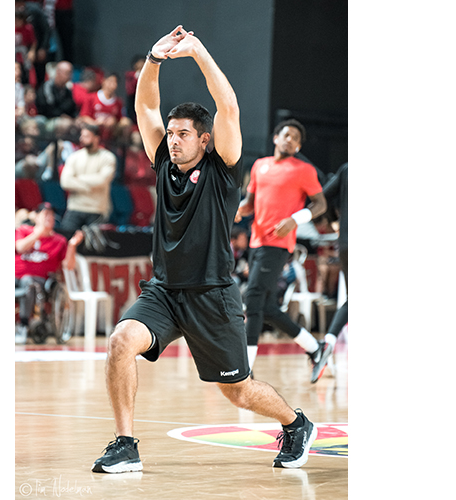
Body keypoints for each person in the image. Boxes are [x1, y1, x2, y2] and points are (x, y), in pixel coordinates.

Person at [92, 26, 317, 474]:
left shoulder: (224, 171)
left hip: (212, 295)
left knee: (238, 391)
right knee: (120, 342)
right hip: (164, 292)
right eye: (170, 133)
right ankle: (125, 445)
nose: (173, 140)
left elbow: (228, 107)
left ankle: (296, 424)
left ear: (204, 140)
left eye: (183, 134)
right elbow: (145, 106)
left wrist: (197, 52)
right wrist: (154, 60)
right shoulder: (162, 162)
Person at [235, 119, 331, 383]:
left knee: (253, 298)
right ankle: (315, 347)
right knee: (266, 308)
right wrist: (240, 209)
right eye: (286, 135)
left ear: (298, 146)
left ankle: (245, 369)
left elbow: (320, 204)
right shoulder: (259, 165)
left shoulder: (303, 170)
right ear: (276, 138)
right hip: (256, 242)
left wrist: (295, 220)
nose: (290, 140)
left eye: (295, 138)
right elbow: (250, 202)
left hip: (278, 243)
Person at [15, 202, 83, 343]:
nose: (49, 217)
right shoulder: (24, 230)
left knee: (28, 282)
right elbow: (20, 247)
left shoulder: (59, 240)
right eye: (45, 214)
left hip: (40, 281)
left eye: (52, 215)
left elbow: (68, 266)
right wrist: (38, 233)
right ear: (36, 217)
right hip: (15, 276)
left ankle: (23, 325)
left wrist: (72, 246)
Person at [59, 124, 116, 233]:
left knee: (94, 242)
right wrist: (88, 187)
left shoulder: (108, 157)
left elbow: (102, 181)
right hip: (75, 207)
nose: (82, 139)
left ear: (96, 138)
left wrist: (77, 179)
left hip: (97, 209)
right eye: (82, 136)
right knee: (66, 236)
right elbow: (65, 182)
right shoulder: (74, 157)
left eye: (86, 136)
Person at [321, 162, 348, 346]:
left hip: (346, 242)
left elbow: (323, 196)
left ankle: (328, 343)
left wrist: (334, 221)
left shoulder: (346, 169)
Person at [35, 60, 78, 137]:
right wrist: (62, 116)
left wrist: (75, 118)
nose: (70, 76)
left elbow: (72, 108)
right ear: (58, 72)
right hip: (47, 120)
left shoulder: (67, 91)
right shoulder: (47, 87)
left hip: (65, 119)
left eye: (71, 73)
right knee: (66, 124)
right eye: (67, 73)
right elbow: (47, 108)